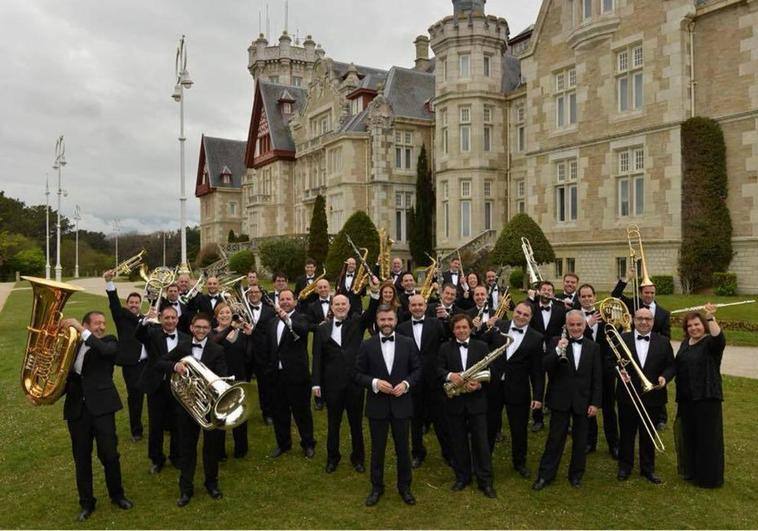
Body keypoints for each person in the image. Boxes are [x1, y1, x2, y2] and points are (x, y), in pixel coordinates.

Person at [60, 313, 133, 521]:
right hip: (77, 411)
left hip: (102, 408)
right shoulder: (72, 347)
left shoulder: (109, 342)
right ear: (86, 325)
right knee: (81, 459)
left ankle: (117, 495)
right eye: (96, 323)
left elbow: (107, 352)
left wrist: (83, 332)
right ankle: (86, 503)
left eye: (103, 323)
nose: (101, 327)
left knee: (110, 455)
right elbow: (67, 375)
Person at [355, 304, 422, 506]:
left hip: (402, 405)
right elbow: (357, 374)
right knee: (378, 449)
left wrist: (406, 383)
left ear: (396, 320)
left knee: (403, 448)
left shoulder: (408, 343)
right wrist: (374, 383)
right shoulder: (367, 345)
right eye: (383, 320)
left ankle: (405, 487)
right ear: (377, 321)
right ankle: (377, 487)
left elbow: (418, 370)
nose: (386, 323)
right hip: (378, 407)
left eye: (390, 319)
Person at [160, 313, 227, 507]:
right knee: (187, 448)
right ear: (191, 327)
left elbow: (222, 375)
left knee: (211, 448)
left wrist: (208, 382)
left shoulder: (217, 349)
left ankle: (212, 484)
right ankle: (186, 489)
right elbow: (160, 362)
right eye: (197, 327)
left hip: (210, 406)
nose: (201, 331)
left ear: (209, 329)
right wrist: (175, 365)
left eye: (205, 328)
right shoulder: (182, 347)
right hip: (188, 408)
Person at [312, 286, 379, 474]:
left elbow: (372, 312)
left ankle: (358, 458)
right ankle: (332, 458)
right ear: (331, 308)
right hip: (332, 385)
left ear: (349, 307)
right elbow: (317, 358)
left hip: (354, 383)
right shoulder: (322, 329)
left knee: (356, 423)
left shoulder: (357, 324)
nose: (340, 307)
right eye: (337, 304)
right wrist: (316, 383)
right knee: (333, 423)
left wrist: (374, 294)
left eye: (344, 304)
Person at [533, 310, 602, 490]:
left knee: (580, 440)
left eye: (579, 324)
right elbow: (545, 365)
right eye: (571, 324)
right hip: (560, 399)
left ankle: (576, 475)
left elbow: (597, 378)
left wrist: (595, 403)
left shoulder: (593, 347)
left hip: (583, 400)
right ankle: (545, 475)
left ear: (585, 325)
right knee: (555, 439)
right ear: (566, 326)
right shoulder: (556, 342)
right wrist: (558, 350)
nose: (576, 328)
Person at [438, 314, 497, 498]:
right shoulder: (445, 348)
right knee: (458, 441)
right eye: (457, 328)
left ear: (471, 328)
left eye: (464, 327)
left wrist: (479, 384)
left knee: (481, 443)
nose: (461, 331)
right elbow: (438, 369)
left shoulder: (481, 346)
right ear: (453, 330)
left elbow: (490, 370)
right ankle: (462, 477)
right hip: (454, 402)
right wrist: (450, 376)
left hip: (476, 402)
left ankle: (485, 481)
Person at [485, 302, 544, 478]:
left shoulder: (536, 337)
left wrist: (538, 396)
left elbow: (537, 371)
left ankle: (519, 463)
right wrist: (485, 327)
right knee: (489, 425)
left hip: (518, 389)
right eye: (518, 312)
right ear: (513, 312)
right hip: (493, 386)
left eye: (526, 315)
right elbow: (481, 345)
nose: (521, 316)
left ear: (531, 318)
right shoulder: (498, 326)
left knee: (518, 429)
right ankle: (484, 460)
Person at [617, 308, 675, 484]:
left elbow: (671, 366)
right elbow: (609, 361)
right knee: (626, 434)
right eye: (640, 318)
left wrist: (665, 377)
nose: (644, 322)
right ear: (633, 320)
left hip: (653, 395)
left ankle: (647, 468)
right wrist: (619, 372)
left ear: (653, 322)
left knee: (648, 434)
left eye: (647, 319)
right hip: (628, 395)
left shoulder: (663, 342)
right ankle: (625, 467)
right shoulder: (622, 339)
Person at [396, 294, 452, 469]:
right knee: (415, 419)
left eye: (421, 305)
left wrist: (446, 318)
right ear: (409, 308)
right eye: (414, 305)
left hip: (434, 379)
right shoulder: (402, 327)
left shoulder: (436, 323)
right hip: (413, 380)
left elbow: (449, 338)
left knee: (441, 418)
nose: (418, 308)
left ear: (426, 306)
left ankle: (448, 452)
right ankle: (418, 452)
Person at [611, 269, 672, 429]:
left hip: (654, 352)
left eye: (652, 292)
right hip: (632, 348)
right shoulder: (633, 304)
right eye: (646, 292)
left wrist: (656, 344)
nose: (649, 295)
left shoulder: (663, 313)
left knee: (655, 384)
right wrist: (626, 279)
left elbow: (666, 336)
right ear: (641, 292)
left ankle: (660, 417)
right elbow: (614, 297)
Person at [674, 303, 725, 488]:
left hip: (707, 397)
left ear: (703, 325)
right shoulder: (685, 344)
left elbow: (719, 339)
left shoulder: (710, 343)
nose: (693, 328)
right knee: (690, 435)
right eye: (690, 326)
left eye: (697, 324)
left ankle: (708, 478)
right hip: (687, 398)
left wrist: (711, 317)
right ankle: (692, 471)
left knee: (707, 439)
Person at [135, 304, 190, 474]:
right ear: (160, 319)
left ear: (178, 319)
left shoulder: (185, 338)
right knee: (156, 425)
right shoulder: (152, 334)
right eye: (166, 318)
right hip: (156, 386)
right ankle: (156, 459)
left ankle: (176, 456)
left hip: (177, 387)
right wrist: (144, 321)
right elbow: (138, 334)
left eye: (173, 318)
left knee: (177, 424)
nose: (170, 321)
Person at [266, 289, 316, 458]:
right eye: (282, 299)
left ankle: (308, 443)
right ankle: (283, 444)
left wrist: (286, 318)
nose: (285, 302)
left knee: (302, 412)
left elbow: (303, 330)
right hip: (277, 375)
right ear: (278, 301)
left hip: (296, 375)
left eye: (289, 299)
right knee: (280, 412)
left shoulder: (301, 318)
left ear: (295, 301)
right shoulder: (272, 322)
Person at [104, 269, 147, 442]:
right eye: (131, 302)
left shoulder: (146, 318)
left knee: (156, 395)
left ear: (140, 304)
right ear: (127, 303)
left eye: (137, 302)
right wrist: (109, 283)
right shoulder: (121, 317)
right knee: (135, 398)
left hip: (148, 364)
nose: (134, 304)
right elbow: (114, 303)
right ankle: (136, 430)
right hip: (132, 365)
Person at [578, 283, 619, 457]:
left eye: (590, 296)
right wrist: (588, 324)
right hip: (586, 370)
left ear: (595, 297)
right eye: (583, 296)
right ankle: (590, 442)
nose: (587, 299)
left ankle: (614, 444)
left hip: (606, 369)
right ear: (579, 298)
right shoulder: (573, 316)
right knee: (589, 408)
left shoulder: (605, 314)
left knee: (609, 409)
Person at [212, 303, 253, 459]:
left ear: (232, 315)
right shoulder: (212, 333)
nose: (224, 315)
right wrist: (230, 328)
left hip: (238, 377)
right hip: (220, 379)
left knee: (239, 414)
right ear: (216, 317)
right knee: (220, 416)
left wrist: (249, 337)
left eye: (227, 312)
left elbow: (248, 356)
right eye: (221, 313)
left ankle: (241, 449)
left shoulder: (241, 334)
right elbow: (216, 342)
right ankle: (219, 451)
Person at [527, 280, 567, 432]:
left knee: (556, 382)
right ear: (538, 291)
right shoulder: (531, 307)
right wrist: (530, 298)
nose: (547, 292)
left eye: (550, 290)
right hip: (535, 352)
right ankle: (537, 418)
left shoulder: (560, 309)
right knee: (537, 384)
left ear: (553, 293)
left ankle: (554, 409)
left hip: (553, 352)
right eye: (544, 289)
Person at [246, 282, 276, 425]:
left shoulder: (270, 311)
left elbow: (270, 334)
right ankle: (240, 413)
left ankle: (268, 412)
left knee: (265, 385)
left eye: (256, 292)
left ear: (261, 294)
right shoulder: (241, 310)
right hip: (244, 353)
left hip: (262, 353)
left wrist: (255, 333)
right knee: (242, 383)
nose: (253, 294)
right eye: (250, 292)